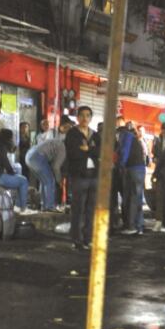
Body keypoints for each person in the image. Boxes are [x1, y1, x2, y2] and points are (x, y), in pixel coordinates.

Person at [64, 106, 100, 251]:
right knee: (78, 209)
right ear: (77, 118)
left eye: (88, 116)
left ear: (91, 118)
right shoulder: (72, 134)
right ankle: (76, 240)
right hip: (79, 175)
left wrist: (88, 150)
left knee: (91, 210)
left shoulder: (95, 135)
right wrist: (92, 152)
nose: (85, 118)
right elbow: (73, 153)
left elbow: (101, 151)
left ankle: (88, 239)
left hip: (94, 176)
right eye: (82, 116)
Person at [26, 120, 71, 211]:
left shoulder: (58, 142)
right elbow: (56, 167)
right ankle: (49, 206)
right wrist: (59, 180)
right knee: (50, 181)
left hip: (30, 155)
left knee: (44, 181)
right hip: (37, 157)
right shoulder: (63, 148)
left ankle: (44, 205)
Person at [0, 128, 31, 213]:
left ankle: (18, 206)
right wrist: (12, 173)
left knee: (19, 179)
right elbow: (6, 164)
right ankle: (23, 208)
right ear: (8, 138)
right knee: (23, 181)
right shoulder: (1, 148)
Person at [117, 121, 148, 235]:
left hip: (132, 169)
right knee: (137, 198)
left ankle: (131, 226)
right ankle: (139, 225)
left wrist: (121, 165)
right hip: (140, 169)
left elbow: (124, 152)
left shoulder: (127, 136)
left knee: (131, 198)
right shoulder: (135, 139)